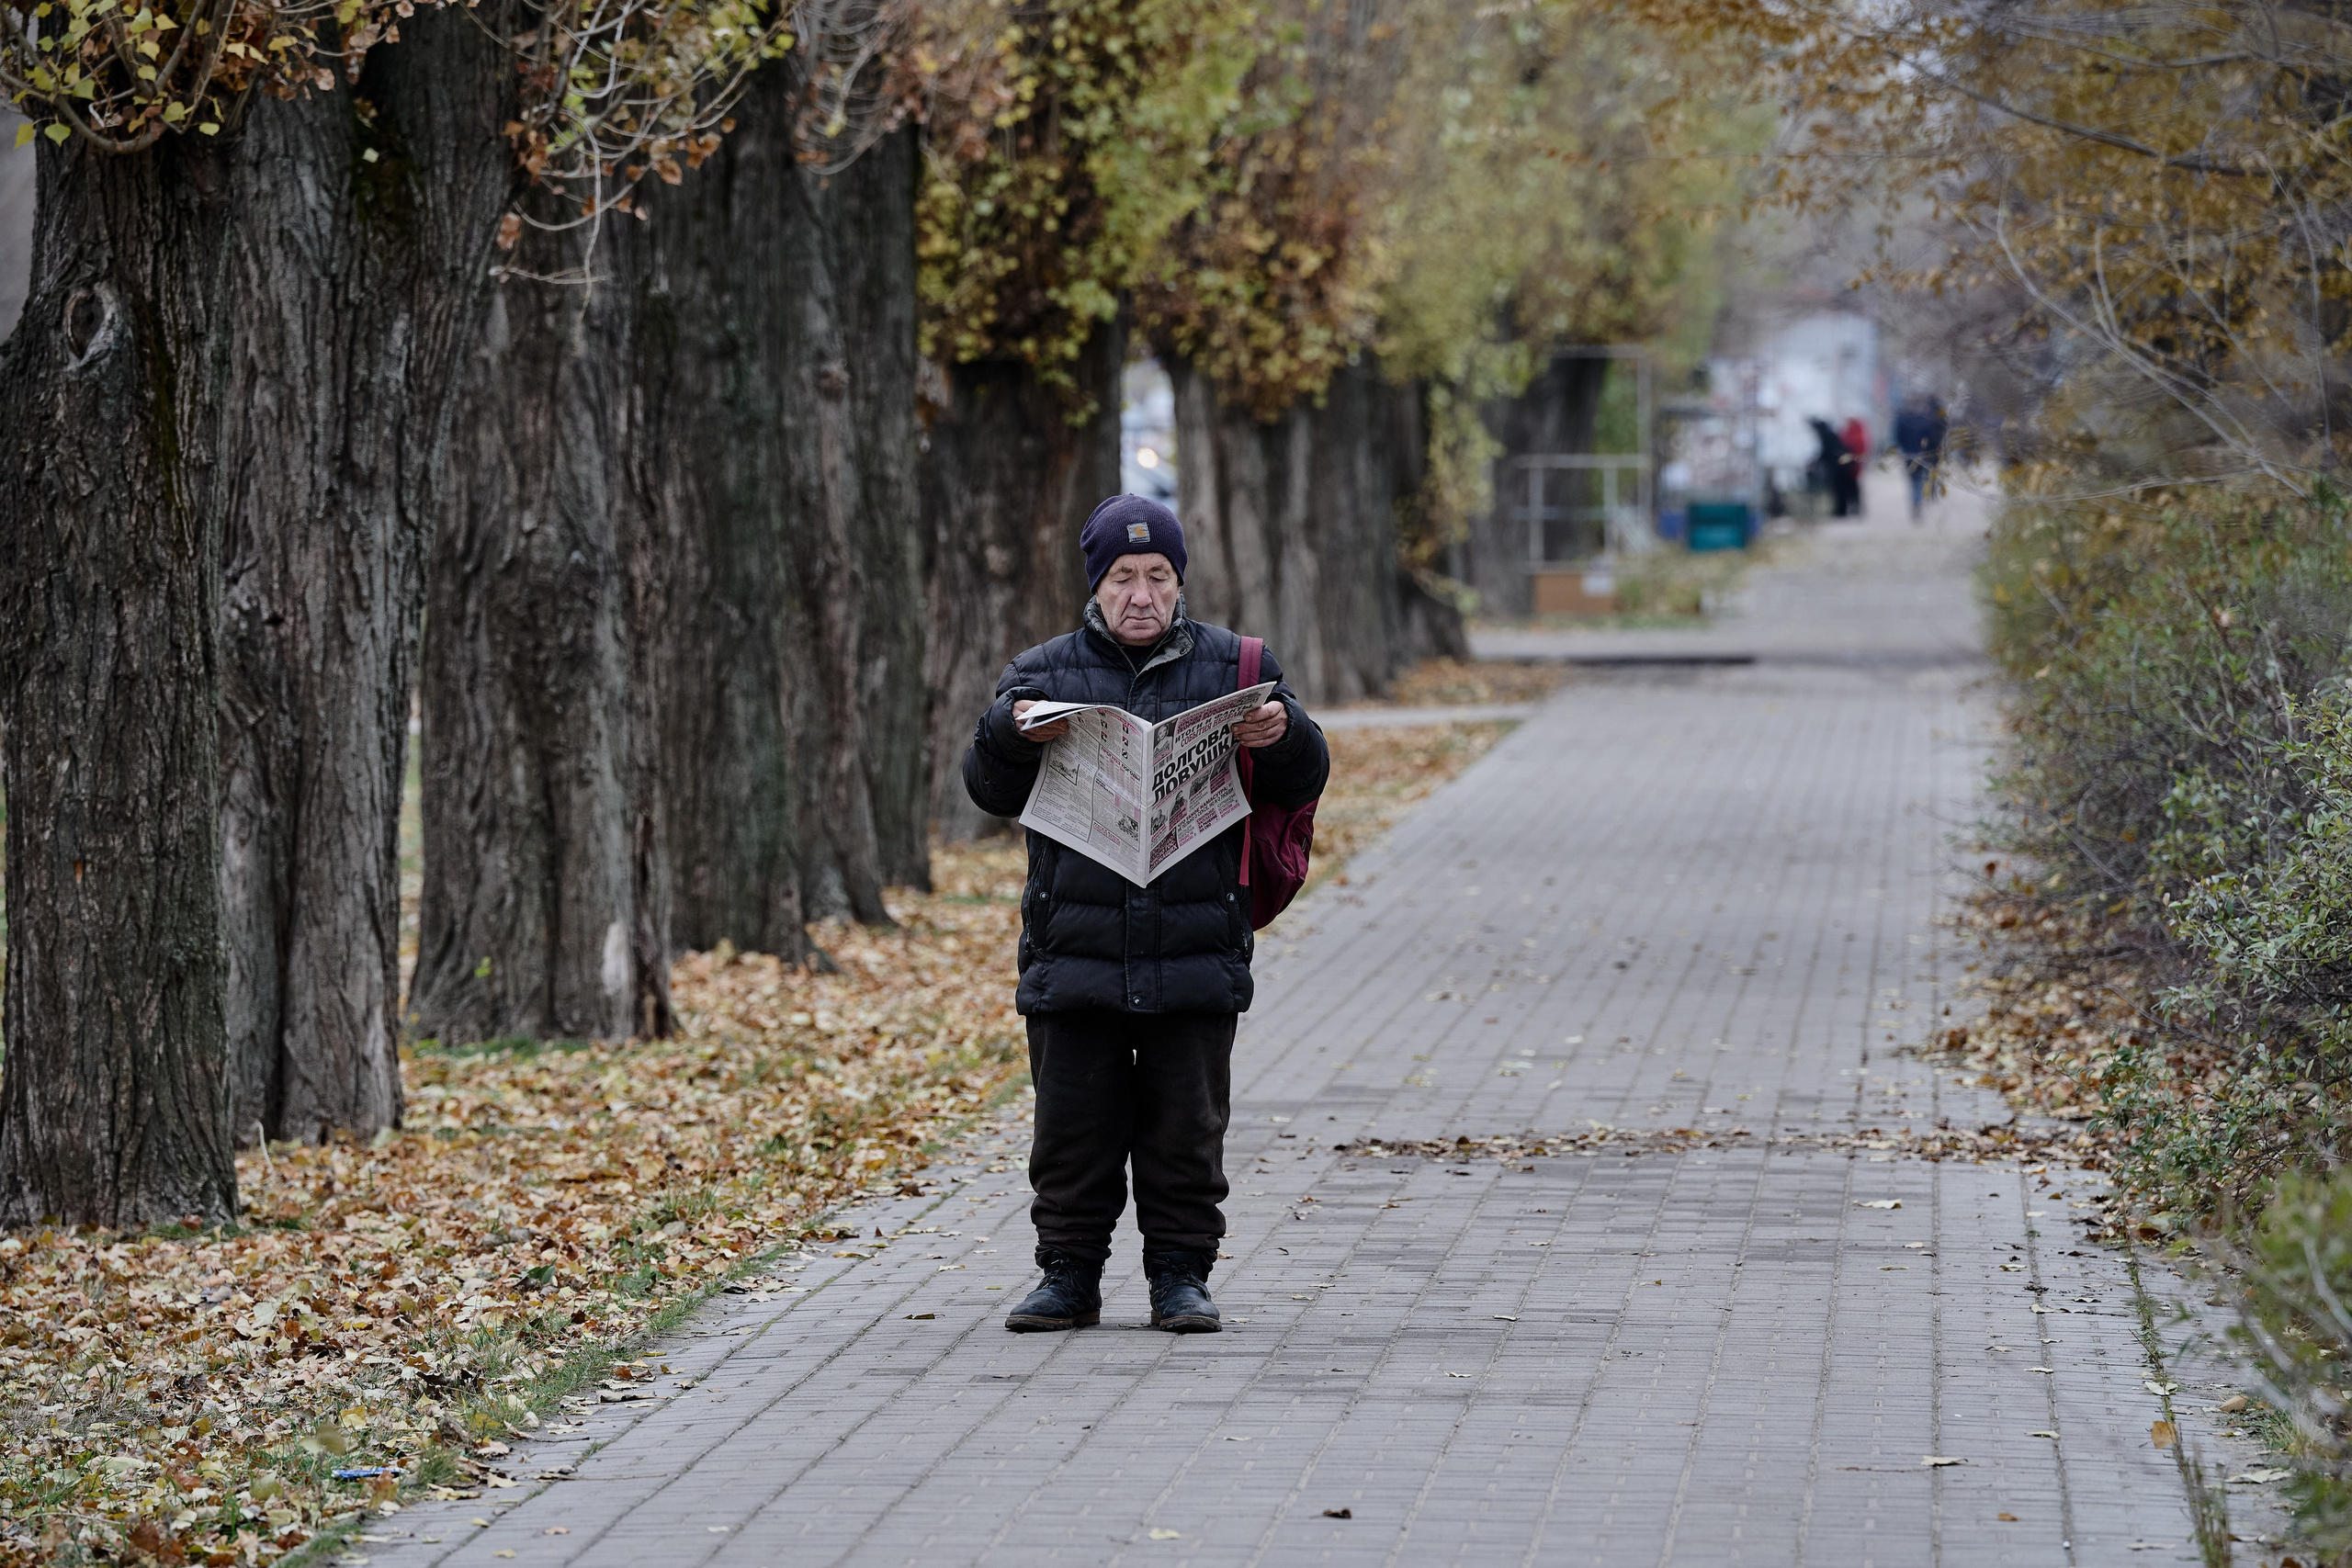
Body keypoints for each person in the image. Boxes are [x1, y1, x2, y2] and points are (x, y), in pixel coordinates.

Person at [962, 494, 1330, 1336]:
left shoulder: (1238, 667)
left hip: (1194, 946)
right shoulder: (1043, 674)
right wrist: (1008, 733)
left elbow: (1303, 775)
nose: (1141, 594)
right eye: (1123, 577)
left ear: (1179, 581)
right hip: (1075, 950)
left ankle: (1180, 1276)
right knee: (1072, 1128)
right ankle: (1068, 1275)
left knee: (1186, 1130)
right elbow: (988, 790)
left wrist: (1284, 729)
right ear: (1096, 585)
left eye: (1157, 576)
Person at [1893, 392, 1950, 522]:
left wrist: (1904, 449)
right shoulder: (1925, 419)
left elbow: (1898, 437)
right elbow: (1931, 438)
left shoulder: (1902, 419)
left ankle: (1916, 502)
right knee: (1919, 480)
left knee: (1913, 482)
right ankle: (1918, 502)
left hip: (1908, 454)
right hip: (1921, 454)